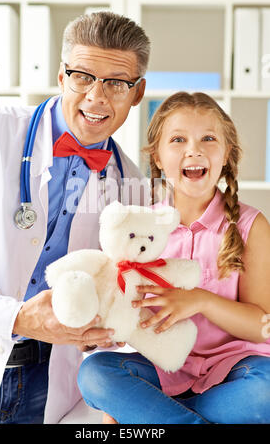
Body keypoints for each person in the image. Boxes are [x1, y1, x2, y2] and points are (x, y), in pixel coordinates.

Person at [0, 11, 151, 424]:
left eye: (116, 83)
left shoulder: (135, 189)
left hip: (56, 382)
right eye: (83, 76)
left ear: (137, 93)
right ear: (61, 77)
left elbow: (124, 300)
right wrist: (16, 317)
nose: (96, 97)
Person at [77, 91, 270, 424]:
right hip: (163, 370)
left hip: (238, 369)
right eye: (178, 139)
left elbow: (261, 328)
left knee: (265, 393)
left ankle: (158, 420)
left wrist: (201, 301)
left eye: (208, 138)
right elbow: (125, 310)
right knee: (95, 373)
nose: (193, 149)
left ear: (227, 154)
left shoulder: (251, 225)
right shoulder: (139, 228)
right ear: (158, 157)